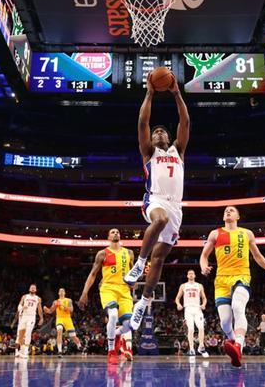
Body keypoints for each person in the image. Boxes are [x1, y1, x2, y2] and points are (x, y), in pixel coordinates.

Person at [124, 74, 190, 331]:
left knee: (160, 258)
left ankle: (143, 302)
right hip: (154, 200)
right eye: (156, 131)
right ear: (150, 141)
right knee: (159, 219)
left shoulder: (178, 150)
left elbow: (185, 120)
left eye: (162, 130)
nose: (159, 131)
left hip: (177, 207)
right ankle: (139, 263)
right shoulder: (149, 153)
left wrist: (176, 93)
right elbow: (143, 121)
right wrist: (150, 94)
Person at [200, 206, 265, 367]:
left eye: (231, 210)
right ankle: (233, 340)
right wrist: (203, 266)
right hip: (221, 281)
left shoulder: (247, 233)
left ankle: (238, 346)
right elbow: (204, 256)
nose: (227, 212)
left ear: (238, 216)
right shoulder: (215, 233)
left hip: (241, 276)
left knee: (237, 306)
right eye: (225, 211)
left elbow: (257, 255)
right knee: (225, 321)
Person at [78, 228, 135, 364]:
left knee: (128, 326)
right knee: (113, 315)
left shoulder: (129, 253)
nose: (116, 233)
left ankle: (117, 338)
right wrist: (84, 293)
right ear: (108, 237)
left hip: (124, 291)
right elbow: (92, 274)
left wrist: (133, 281)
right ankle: (111, 351)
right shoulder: (102, 253)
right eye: (113, 232)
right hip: (108, 288)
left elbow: (132, 271)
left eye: (117, 232)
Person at [175, 269, 209, 358]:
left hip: (197, 308)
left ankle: (201, 347)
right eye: (189, 273)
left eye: (192, 273)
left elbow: (204, 298)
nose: (190, 275)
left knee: (201, 327)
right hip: (188, 309)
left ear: (194, 276)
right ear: (187, 276)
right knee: (191, 329)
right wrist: (178, 304)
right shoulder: (183, 286)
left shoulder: (199, 286)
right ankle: (192, 349)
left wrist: (204, 304)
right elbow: (177, 298)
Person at [44, 288, 81, 357]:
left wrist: (63, 306)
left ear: (64, 293)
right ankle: (60, 351)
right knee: (59, 332)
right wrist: (46, 310)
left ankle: (79, 346)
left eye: (62, 291)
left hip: (67, 319)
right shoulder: (55, 301)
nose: (61, 292)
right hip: (59, 319)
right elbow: (51, 311)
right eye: (60, 291)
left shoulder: (68, 300)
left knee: (73, 336)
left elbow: (71, 310)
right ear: (58, 293)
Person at [12, 284, 44, 358]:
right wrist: (23, 307)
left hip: (32, 317)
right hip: (24, 316)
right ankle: (17, 352)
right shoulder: (24, 296)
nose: (33, 289)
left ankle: (25, 352)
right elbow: (19, 306)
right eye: (31, 288)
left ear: (36, 290)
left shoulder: (38, 298)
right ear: (29, 289)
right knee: (20, 335)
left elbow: (39, 309)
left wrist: (41, 318)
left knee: (28, 332)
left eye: (34, 288)